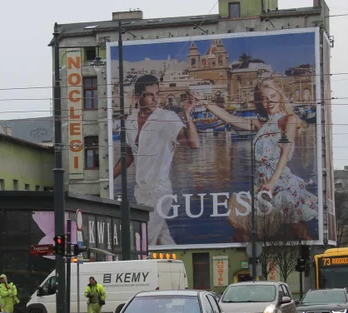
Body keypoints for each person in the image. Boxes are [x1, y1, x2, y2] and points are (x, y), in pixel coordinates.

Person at [191, 78, 317, 239]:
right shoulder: (260, 125)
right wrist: (204, 102)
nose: (269, 101)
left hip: (280, 182)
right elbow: (229, 118)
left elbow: (285, 153)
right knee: (245, 230)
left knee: (297, 230)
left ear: (279, 96)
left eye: (272, 96)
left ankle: (312, 260)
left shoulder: (289, 120)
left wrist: (272, 182)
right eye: (264, 98)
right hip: (261, 184)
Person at [112, 74, 199, 246]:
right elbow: (128, 156)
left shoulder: (167, 118)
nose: (155, 99)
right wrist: (108, 179)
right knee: (163, 239)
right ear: (137, 97)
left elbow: (194, 144)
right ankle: (180, 269)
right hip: (141, 192)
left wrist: (187, 115)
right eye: (149, 94)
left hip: (160, 192)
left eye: (157, 94)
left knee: (142, 242)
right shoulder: (129, 121)